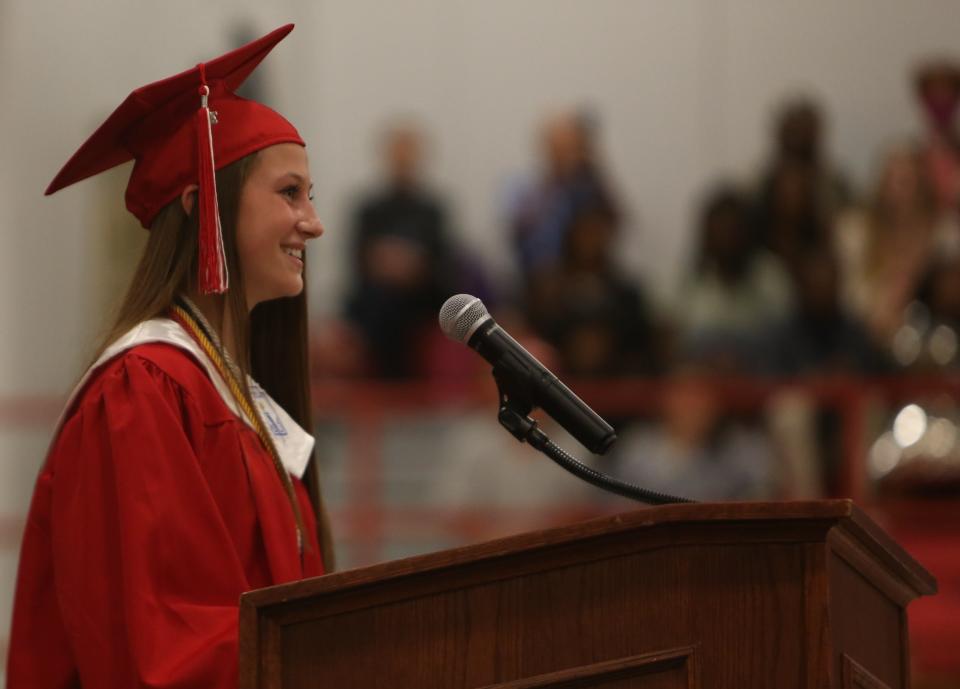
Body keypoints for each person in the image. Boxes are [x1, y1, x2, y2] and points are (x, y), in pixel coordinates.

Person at [7, 25, 332, 688]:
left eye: (311, 194)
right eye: (289, 193)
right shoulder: (143, 391)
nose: (314, 221)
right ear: (201, 206)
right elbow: (166, 647)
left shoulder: (235, 397)